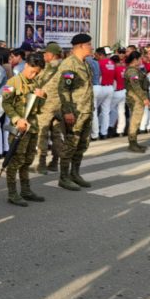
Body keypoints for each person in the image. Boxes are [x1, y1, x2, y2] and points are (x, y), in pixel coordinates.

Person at [2, 52, 46, 206]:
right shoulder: (12, 82)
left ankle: (26, 190)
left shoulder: (35, 83)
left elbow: (39, 108)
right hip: (19, 128)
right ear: (26, 65)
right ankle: (12, 193)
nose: (33, 74)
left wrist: (42, 97)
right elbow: (6, 104)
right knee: (16, 161)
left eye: (37, 72)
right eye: (32, 70)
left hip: (32, 127)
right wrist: (16, 119)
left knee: (27, 160)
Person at [57, 34, 94, 191]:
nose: (91, 47)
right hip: (75, 111)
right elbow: (64, 89)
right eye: (88, 44)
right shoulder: (69, 64)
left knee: (82, 144)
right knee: (71, 144)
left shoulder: (85, 63)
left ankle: (75, 174)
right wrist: (67, 111)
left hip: (86, 110)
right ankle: (64, 177)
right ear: (80, 46)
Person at [35, 42, 64, 174]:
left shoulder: (52, 68)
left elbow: (44, 85)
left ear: (51, 55)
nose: (44, 55)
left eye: (45, 53)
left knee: (43, 133)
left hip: (47, 105)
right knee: (57, 134)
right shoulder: (63, 66)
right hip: (59, 105)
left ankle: (41, 164)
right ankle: (55, 162)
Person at [124, 52, 150, 153]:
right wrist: (144, 98)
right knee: (135, 122)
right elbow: (136, 86)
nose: (141, 61)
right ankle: (132, 144)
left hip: (138, 98)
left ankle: (134, 143)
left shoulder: (135, 70)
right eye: (140, 59)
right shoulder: (132, 72)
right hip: (135, 99)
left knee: (137, 121)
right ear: (135, 60)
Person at [93, 47, 115, 140]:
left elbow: (98, 75)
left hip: (101, 87)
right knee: (105, 111)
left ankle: (95, 134)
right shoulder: (112, 63)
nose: (95, 56)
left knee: (94, 111)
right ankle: (104, 132)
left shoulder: (99, 63)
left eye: (96, 55)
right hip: (110, 88)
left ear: (101, 55)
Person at [109, 54, 127, 138]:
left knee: (109, 110)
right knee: (121, 111)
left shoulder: (114, 69)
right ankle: (120, 130)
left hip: (116, 92)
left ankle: (110, 127)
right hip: (123, 91)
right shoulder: (124, 68)